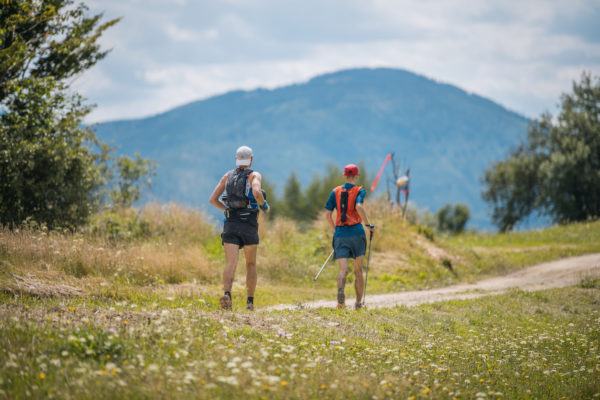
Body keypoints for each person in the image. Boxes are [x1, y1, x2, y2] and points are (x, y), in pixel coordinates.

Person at [209, 145, 270, 311]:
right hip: (248, 225)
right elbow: (257, 193)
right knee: (250, 263)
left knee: (231, 262)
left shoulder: (227, 176)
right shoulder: (254, 175)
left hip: (230, 224)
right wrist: (264, 206)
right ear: (251, 159)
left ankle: (227, 294)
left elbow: (213, 199)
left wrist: (227, 209)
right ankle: (250, 302)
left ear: (236, 159)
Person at [324, 164, 375, 310]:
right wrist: (368, 224)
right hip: (357, 234)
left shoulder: (335, 192)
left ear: (344, 175)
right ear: (357, 176)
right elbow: (359, 207)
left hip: (341, 234)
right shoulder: (360, 191)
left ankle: (341, 301)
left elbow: (328, 214)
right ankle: (358, 304)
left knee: (342, 270)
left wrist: (336, 229)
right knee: (358, 270)